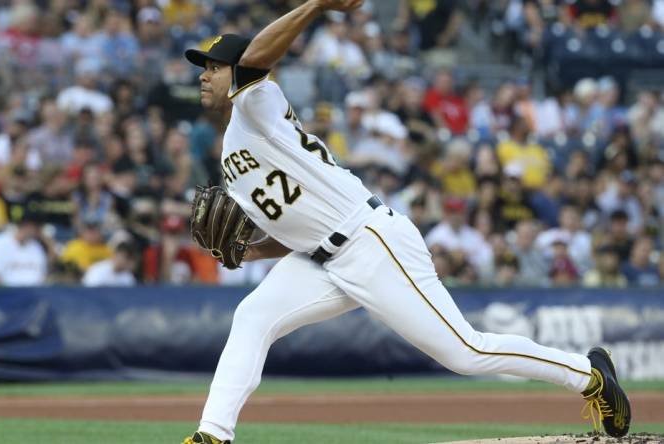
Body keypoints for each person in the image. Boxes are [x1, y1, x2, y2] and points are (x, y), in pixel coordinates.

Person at [179, 2, 631, 443]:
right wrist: (253, 250)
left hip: (370, 242)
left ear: (236, 73)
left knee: (465, 352)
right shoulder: (230, 154)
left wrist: (316, 5)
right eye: (204, 66)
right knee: (252, 316)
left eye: (215, 66)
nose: (204, 74)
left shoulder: (256, 101)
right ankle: (213, 435)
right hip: (318, 257)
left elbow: (256, 60)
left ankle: (588, 376)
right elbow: (290, 225)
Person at [0, 211, 48, 286]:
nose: (40, 232)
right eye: (38, 228)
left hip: (34, 294)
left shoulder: (36, 246)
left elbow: (43, 276)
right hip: (7, 294)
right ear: (28, 225)